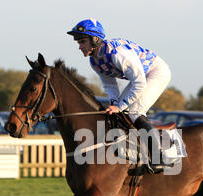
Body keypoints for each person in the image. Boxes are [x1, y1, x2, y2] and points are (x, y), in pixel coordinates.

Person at [67, 18, 172, 173]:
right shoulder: (94, 61)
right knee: (120, 113)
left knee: (134, 112)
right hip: (140, 77)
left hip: (156, 72)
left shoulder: (118, 55)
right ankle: (136, 154)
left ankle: (160, 158)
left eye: (82, 42)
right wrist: (115, 105)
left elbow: (139, 83)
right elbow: (110, 86)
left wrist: (119, 106)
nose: (80, 47)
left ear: (95, 39)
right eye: (78, 43)